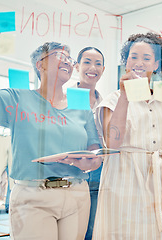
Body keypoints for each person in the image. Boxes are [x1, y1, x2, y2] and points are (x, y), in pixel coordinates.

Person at [0, 32, 102, 240]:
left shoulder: (80, 105)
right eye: (59, 55)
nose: (67, 61)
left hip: (77, 195)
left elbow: (94, 149)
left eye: (69, 58)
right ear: (40, 64)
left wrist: (90, 162)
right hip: (33, 196)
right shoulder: (17, 98)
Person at [92, 32, 162, 239]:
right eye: (133, 57)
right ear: (126, 61)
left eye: (146, 58)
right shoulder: (112, 100)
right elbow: (112, 143)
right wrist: (125, 96)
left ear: (156, 64)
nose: (139, 63)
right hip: (123, 189)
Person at [72, 46, 105, 240]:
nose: (93, 67)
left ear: (103, 69)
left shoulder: (107, 103)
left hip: (101, 177)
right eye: (87, 62)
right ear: (77, 66)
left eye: (98, 63)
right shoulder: (64, 98)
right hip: (73, 175)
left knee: (93, 232)